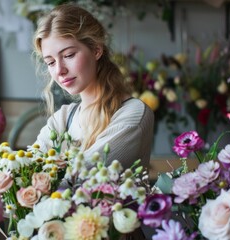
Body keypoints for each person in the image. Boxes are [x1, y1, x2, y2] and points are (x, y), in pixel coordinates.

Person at [33, 3, 154, 171]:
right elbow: (28, 170)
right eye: (50, 62)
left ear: (96, 50)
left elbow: (85, 175)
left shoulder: (133, 113)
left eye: (68, 55)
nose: (60, 70)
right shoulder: (63, 119)